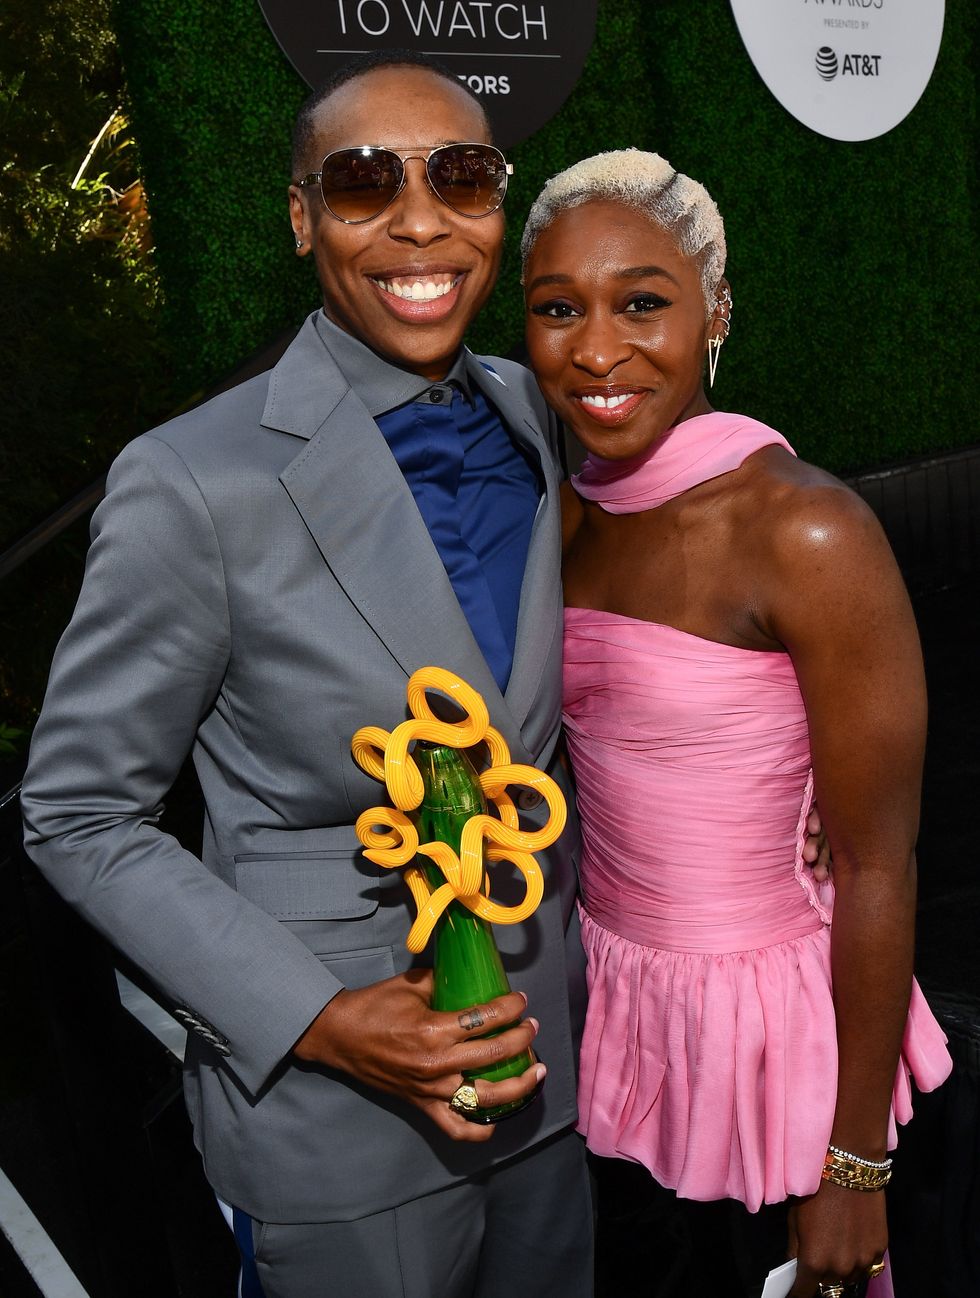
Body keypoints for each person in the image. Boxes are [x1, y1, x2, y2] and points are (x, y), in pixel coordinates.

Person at [20, 52, 593, 1298]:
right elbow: (77, 813)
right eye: (360, 182)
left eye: (459, 174)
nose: (417, 217)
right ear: (300, 218)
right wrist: (326, 1021)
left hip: (554, 1070)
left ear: (499, 202)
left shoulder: (541, 411)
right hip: (344, 1127)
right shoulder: (192, 481)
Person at [520, 150, 953, 1298]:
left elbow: (874, 861)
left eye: (642, 302)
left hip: (773, 1055)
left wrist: (852, 1161)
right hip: (610, 1007)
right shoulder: (559, 516)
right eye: (558, 308)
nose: (597, 349)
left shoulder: (802, 530)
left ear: (714, 307)